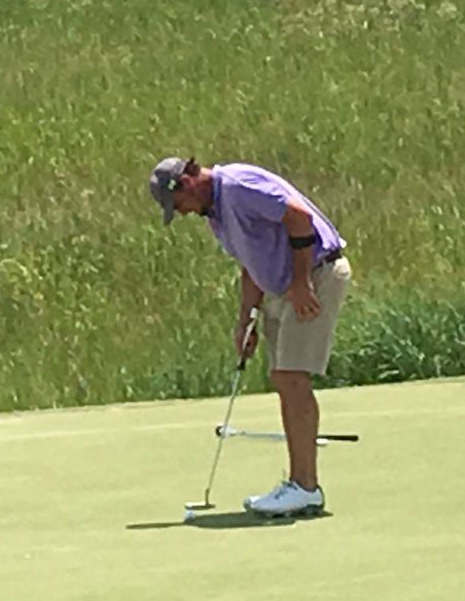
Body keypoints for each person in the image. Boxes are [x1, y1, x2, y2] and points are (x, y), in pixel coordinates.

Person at [148, 157, 351, 517]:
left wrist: (302, 283)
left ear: (186, 183)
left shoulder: (238, 187)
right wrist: (246, 321)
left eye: (177, 204)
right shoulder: (215, 214)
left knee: (291, 376)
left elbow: (298, 218)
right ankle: (301, 485)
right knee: (284, 377)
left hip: (315, 274)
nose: (180, 213)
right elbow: (251, 263)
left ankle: (305, 488)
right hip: (285, 286)